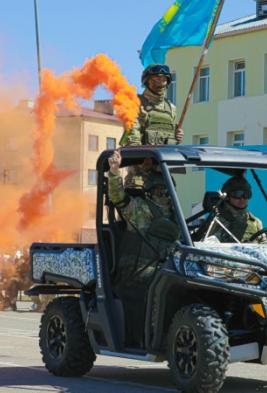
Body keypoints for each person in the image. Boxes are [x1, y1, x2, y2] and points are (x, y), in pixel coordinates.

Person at [107, 149, 179, 347]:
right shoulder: (140, 207)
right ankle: (144, 341)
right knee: (142, 300)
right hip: (139, 273)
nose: (163, 194)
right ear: (151, 192)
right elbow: (117, 198)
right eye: (159, 190)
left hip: (167, 272)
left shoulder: (176, 215)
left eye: (166, 190)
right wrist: (114, 171)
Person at [120, 64, 183, 147]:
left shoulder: (171, 108)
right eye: (157, 78)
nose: (161, 82)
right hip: (143, 156)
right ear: (147, 81)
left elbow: (171, 139)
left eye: (164, 78)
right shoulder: (135, 103)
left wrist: (177, 137)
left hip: (165, 157)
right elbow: (133, 138)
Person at [206, 175, 267, 244]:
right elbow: (209, 245)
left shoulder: (256, 222)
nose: (242, 199)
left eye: (246, 194)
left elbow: (265, 245)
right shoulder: (217, 220)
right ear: (227, 196)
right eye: (237, 194)